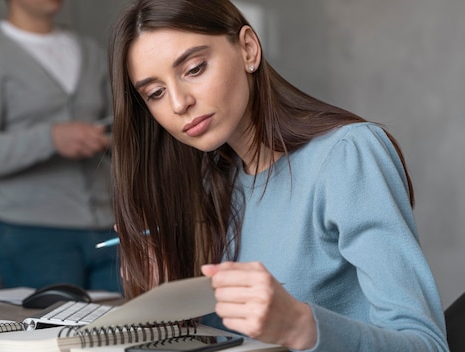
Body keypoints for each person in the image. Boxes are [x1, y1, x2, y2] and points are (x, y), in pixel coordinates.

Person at [107, 0, 449, 350]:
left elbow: (427, 344)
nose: (179, 103)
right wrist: (165, 291)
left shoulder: (346, 155)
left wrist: (303, 327)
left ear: (248, 49)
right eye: (156, 93)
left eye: (194, 68)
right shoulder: (214, 183)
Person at [0, 0, 120, 292]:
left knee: (126, 331)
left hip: (109, 227)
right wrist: (50, 138)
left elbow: (119, 123)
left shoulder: (90, 50)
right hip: (33, 235)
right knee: (52, 334)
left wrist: (110, 137)